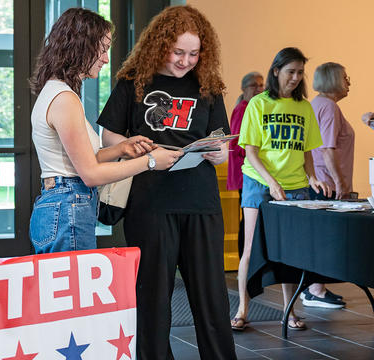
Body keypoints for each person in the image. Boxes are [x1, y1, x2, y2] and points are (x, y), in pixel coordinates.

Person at [97, 5, 236, 360]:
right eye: (178, 52)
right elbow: (109, 137)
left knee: (211, 299)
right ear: (160, 45)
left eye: (193, 53)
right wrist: (133, 146)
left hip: (201, 202)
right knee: (153, 298)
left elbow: (218, 138)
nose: (186, 61)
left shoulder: (206, 86)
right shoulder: (133, 83)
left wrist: (219, 153)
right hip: (150, 203)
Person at [29, 8, 182, 254]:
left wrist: (121, 148)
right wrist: (151, 161)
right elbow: (90, 174)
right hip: (69, 204)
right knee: (74, 291)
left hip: (63, 203)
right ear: (80, 46)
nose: (106, 59)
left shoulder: (57, 91)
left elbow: (81, 161)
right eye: (103, 49)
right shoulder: (64, 98)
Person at [232, 47, 330, 332]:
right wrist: (271, 182)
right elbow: (250, 152)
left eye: (300, 73)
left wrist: (312, 178)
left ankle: (288, 311)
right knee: (250, 246)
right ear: (276, 71)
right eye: (290, 72)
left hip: (296, 185)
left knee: (289, 252)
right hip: (259, 182)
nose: (296, 78)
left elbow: (307, 151)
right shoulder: (259, 104)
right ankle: (242, 309)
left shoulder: (304, 107)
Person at [300, 63, 355, 308]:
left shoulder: (316, 104)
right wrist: (341, 183)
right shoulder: (329, 107)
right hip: (328, 184)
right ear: (333, 79)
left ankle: (313, 288)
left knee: (318, 236)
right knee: (327, 238)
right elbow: (327, 149)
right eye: (345, 77)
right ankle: (315, 290)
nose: (349, 81)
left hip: (317, 180)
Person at [227, 72, 264, 258]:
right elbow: (237, 142)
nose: (259, 89)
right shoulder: (243, 108)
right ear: (244, 88)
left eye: (261, 85)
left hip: (254, 171)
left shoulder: (256, 108)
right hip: (245, 172)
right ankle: (246, 259)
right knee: (248, 220)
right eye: (254, 85)